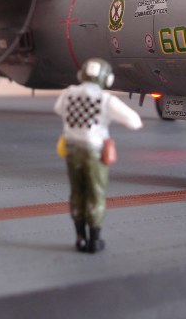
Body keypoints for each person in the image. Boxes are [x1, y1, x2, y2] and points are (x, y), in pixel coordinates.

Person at [54, 58, 143, 253]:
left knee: (77, 193)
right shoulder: (106, 99)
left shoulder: (68, 93)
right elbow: (135, 122)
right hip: (93, 153)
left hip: (72, 151)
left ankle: (80, 238)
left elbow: (58, 109)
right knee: (95, 194)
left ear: (81, 75)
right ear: (107, 79)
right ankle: (94, 240)